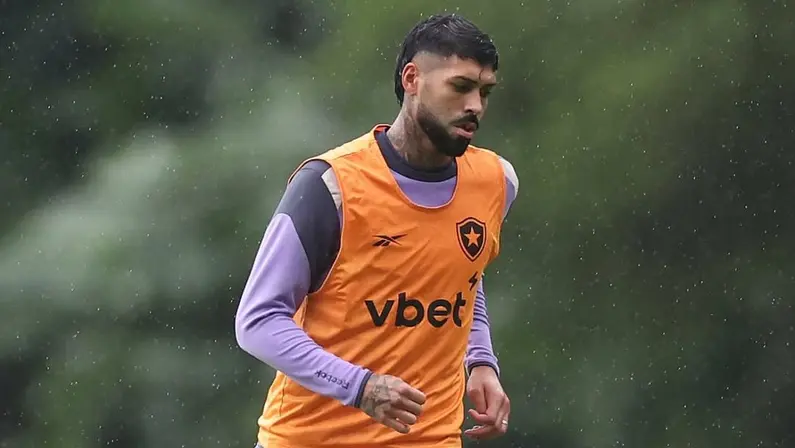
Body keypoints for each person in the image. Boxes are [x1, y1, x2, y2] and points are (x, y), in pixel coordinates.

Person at [235, 12, 519, 448]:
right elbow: (258, 320)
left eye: (484, 92)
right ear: (412, 79)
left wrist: (481, 360)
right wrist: (359, 385)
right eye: (460, 87)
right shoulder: (330, 186)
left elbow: (464, 275)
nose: (475, 106)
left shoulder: (496, 181)